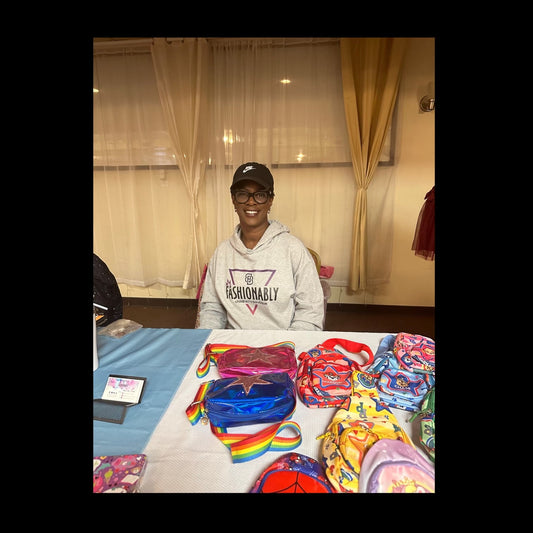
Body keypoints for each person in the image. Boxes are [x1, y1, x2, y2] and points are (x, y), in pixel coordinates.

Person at [198, 162, 324, 330]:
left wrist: (287, 347)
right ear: (234, 200)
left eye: (260, 195)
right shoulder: (222, 253)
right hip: (232, 349)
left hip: (282, 348)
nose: (251, 202)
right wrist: (210, 343)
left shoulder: (293, 249)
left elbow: (310, 312)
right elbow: (212, 309)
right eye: (243, 194)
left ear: (270, 200)